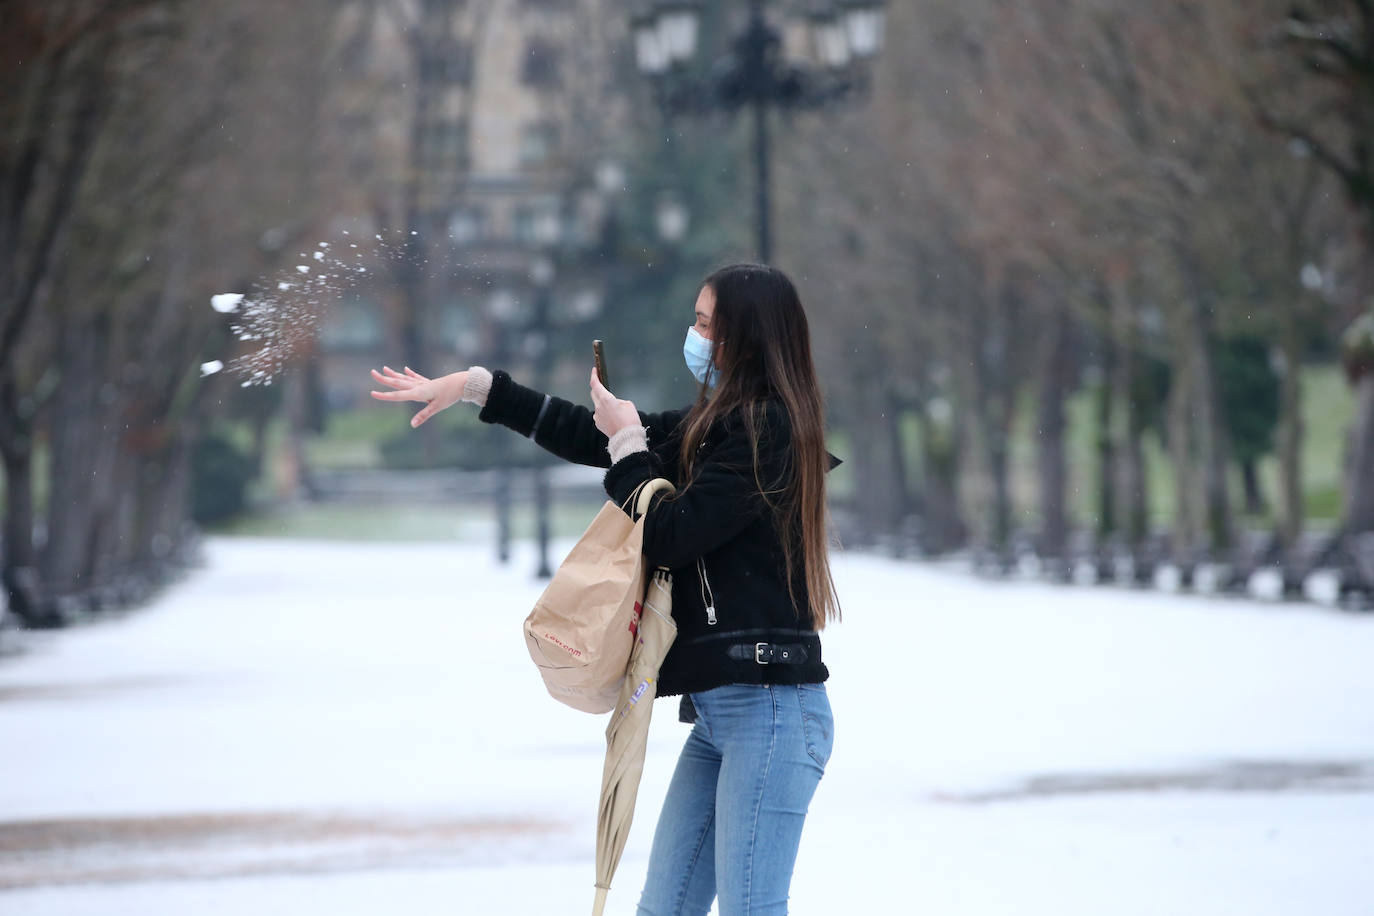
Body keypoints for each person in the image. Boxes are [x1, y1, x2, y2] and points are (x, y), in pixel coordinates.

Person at [369, 263, 838, 915]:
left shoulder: (766, 431)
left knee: (751, 908)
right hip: (722, 715)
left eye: (706, 323)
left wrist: (628, 444)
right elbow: (602, 439)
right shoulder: (715, 425)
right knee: (663, 908)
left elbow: (671, 533)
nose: (693, 334)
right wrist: (481, 389)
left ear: (745, 339)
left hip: (773, 713)